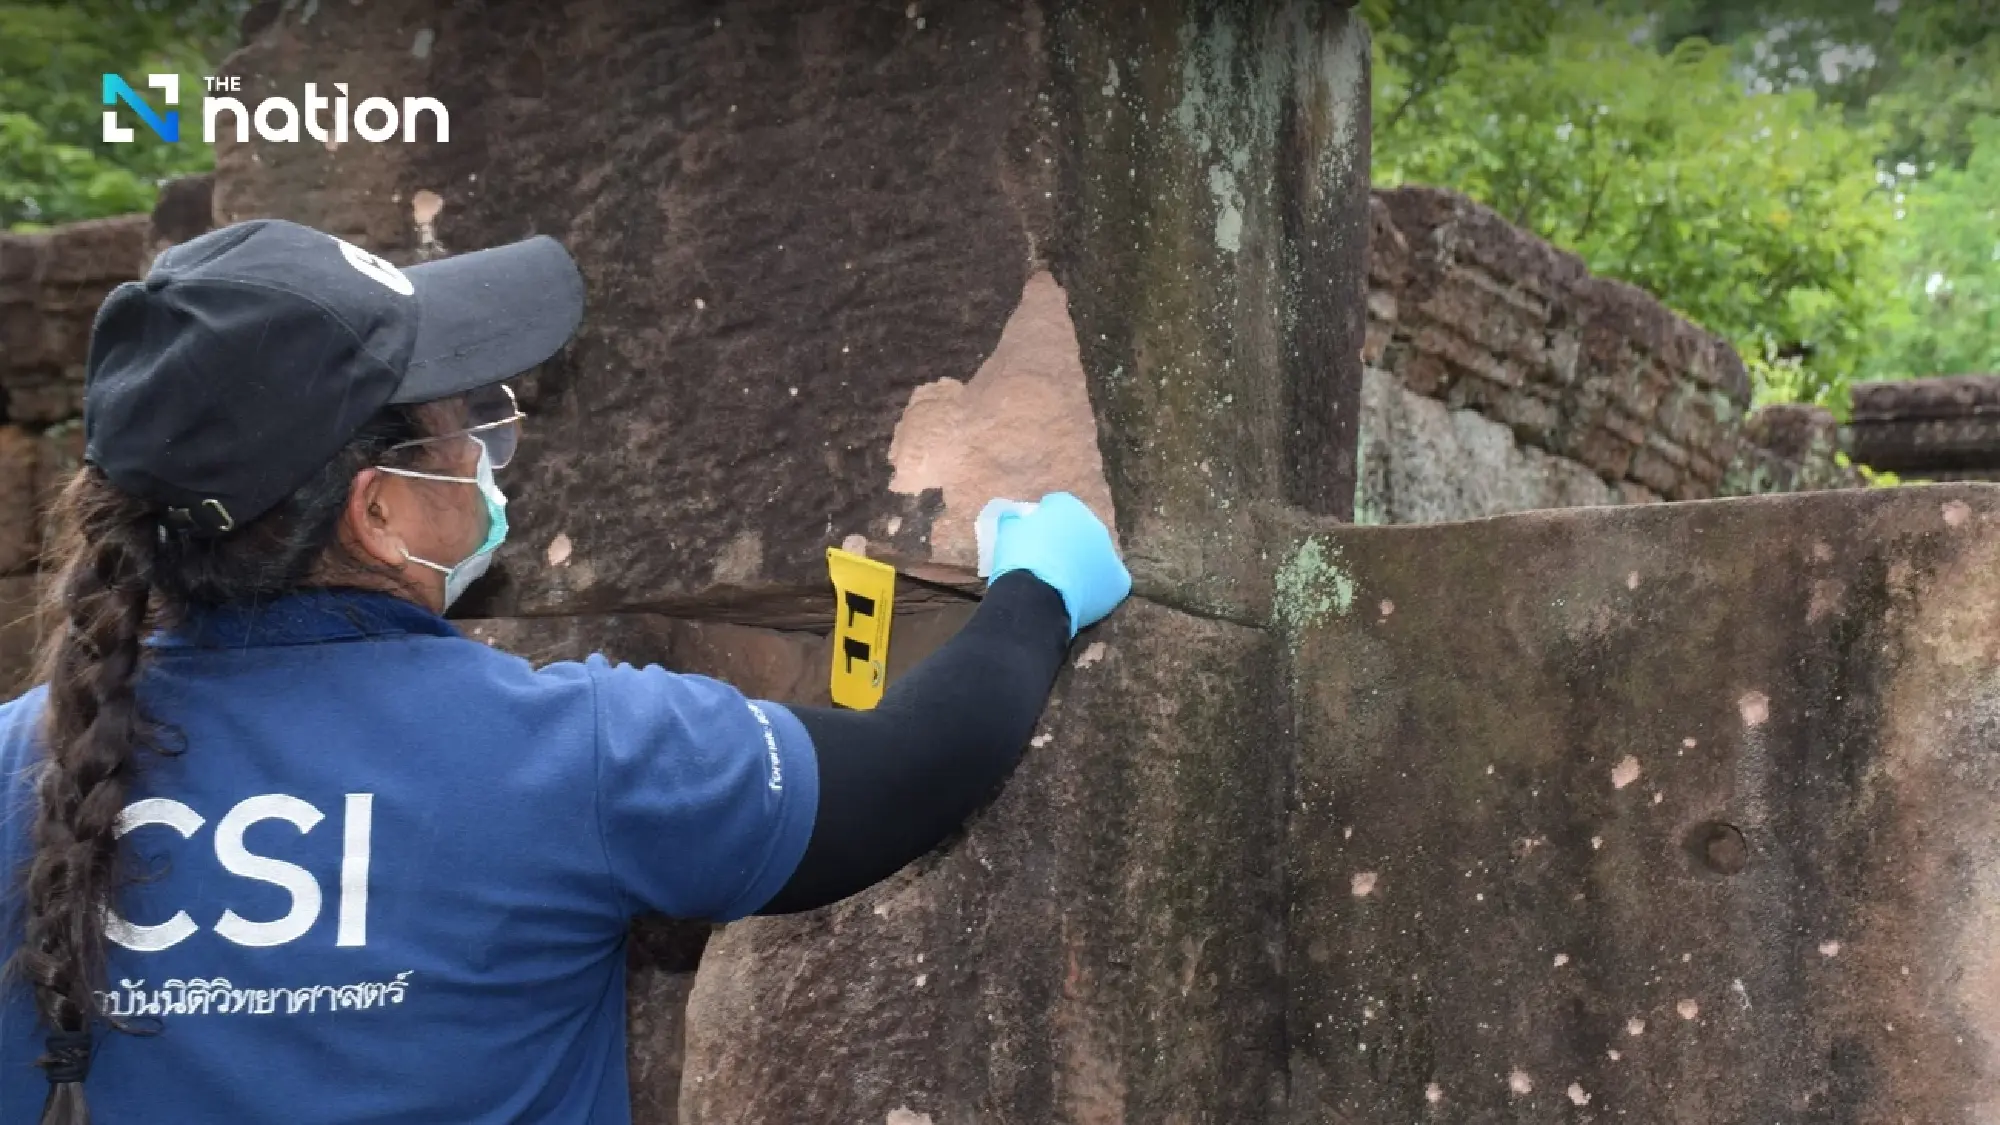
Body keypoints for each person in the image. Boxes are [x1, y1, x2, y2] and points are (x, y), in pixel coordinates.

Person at [0, 219, 1131, 1124]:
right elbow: (906, 771)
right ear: (381, 510)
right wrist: (1037, 593)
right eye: (463, 428)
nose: (491, 453)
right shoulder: (568, 753)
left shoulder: (19, 758)